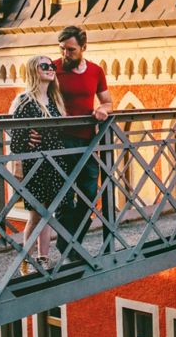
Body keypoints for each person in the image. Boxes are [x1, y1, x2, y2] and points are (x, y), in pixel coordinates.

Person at [8, 54, 72, 272]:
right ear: (34, 70)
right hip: (36, 166)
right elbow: (15, 140)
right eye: (44, 66)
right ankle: (26, 258)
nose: (50, 69)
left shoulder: (55, 101)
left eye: (52, 66)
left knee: (47, 213)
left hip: (55, 165)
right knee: (37, 215)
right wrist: (27, 139)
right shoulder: (25, 101)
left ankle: (42, 258)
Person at [54, 25, 113, 256]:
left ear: (83, 48)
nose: (65, 54)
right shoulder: (52, 68)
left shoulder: (96, 71)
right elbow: (35, 95)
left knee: (89, 194)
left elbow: (108, 101)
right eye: (62, 49)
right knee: (64, 196)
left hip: (87, 142)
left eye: (70, 50)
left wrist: (103, 109)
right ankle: (69, 247)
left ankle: (68, 242)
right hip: (59, 141)